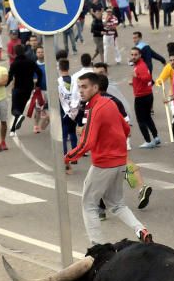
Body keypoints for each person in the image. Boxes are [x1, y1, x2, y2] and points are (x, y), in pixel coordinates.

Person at [64, 71, 152, 245]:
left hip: (103, 164)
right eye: (79, 87)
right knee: (117, 204)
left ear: (95, 87)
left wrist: (66, 157)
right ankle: (140, 229)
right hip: (120, 162)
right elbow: (126, 129)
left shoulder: (96, 109)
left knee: (89, 204)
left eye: (85, 87)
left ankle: (97, 246)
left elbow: (86, 143)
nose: (81, 90)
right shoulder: (109, 103)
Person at [129, 47, 161, 149]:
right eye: (132, 55)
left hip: (141, 97)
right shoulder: (140, 65)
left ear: (140, 55)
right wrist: (134, 83)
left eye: (135, 55)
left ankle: (148, 141)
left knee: (141, 120)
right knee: (147, 118)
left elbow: (147, 78)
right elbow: (148, 80)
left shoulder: (140, 66)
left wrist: (136, 77)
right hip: (147, 95)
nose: (133, 57)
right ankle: (156, 137)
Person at [7, 45, 37, 135]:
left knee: (14, 110)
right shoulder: (31, 62)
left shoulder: (14, 63)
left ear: (15, 52)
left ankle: (17, 120)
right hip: (28, 88)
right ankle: (13, 129)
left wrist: (5, 85)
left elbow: (10, 76)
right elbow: (38, 72)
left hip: (18, 88)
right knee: (20, 108)